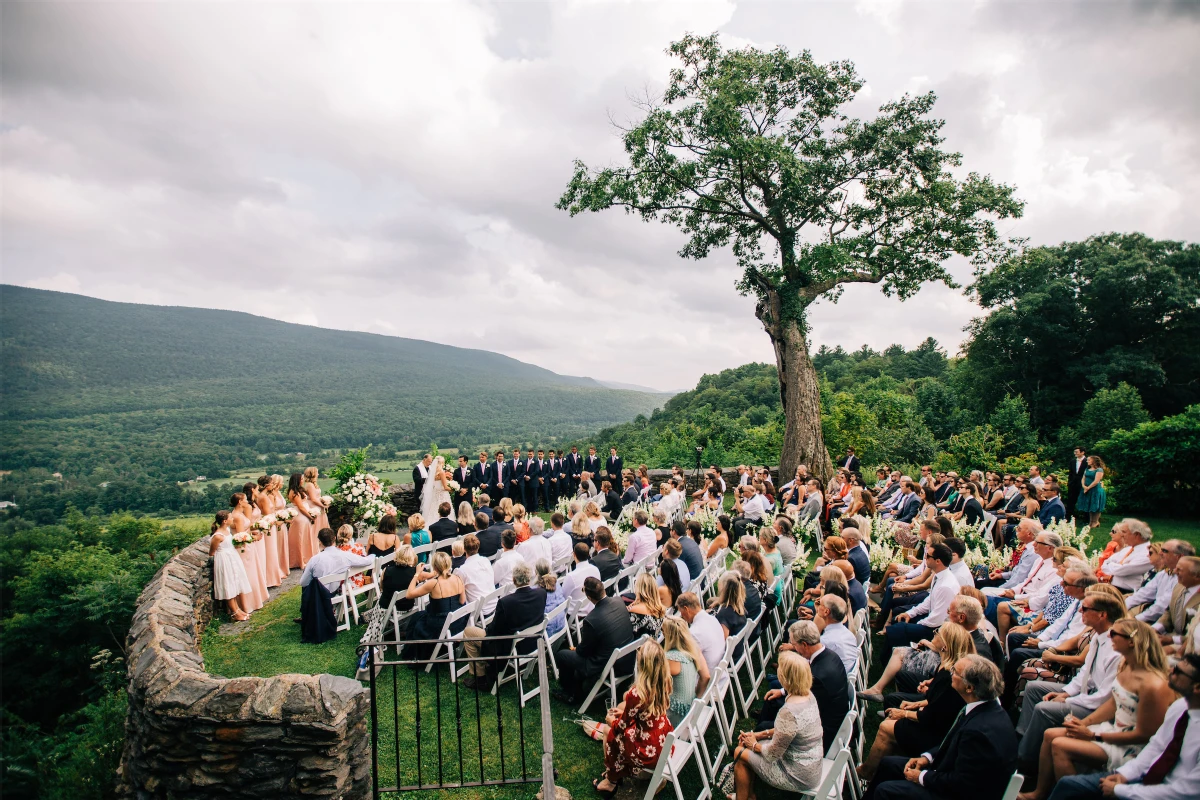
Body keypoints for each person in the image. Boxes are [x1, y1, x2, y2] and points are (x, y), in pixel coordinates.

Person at [1019, 619, 1174, 800]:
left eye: (1115, 634)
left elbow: (1144, 735)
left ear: (1132, 642)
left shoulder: (1153, 685)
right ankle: (1040, 792)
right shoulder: (1126, 666)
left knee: (1060, 745)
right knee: (1050, 734)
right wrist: (1083, 724)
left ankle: (1074, 793)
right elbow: (1113, 704)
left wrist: (1093, 735)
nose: (1109, 635)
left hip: (1130, 746)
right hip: (1113, 730)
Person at [864, 655, 1018, 800]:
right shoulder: (984, 708)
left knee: (885, 790)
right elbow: (951, 741)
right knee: (888, 764)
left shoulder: (978, 732)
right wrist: (927, 758)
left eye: (955, 672)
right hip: (950, 773)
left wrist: (920, 777)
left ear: (969, 687)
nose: (950, 673)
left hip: (961, 794)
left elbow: (961, 784)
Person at [1016, 592, 1126, 776]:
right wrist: (1066, 693)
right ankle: (1022, 737)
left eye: (1085, 608)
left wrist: (1069, 701)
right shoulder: (1098, 637)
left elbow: (1104, 697)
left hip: (1095, 706)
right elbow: (1086, 674)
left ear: (1102, 614)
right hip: (1084, 693)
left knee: (1044, 708)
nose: (1080, 610)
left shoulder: (1115, 649)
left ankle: (1024, 762)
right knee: (1034, 688)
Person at [858, 622, 974, 782]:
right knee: (893, 719)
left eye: (938, 633)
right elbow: (938, 703)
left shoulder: (949, 676)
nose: (934, 634)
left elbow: (934, 716)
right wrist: (917, 704)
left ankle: (866, 772)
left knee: (887, 726)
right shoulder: (946, 668)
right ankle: (886, 766)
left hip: (937, 736)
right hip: (936, 724)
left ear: (945, 646)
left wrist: (905, 713)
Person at [728, 652, 823, 798]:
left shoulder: (789, 711)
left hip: (797, 774)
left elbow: (773, 754)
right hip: (811, 764)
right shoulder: (808, 696)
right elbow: (787, 731)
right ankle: (749, 796)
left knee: (739, 752)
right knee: (745, 746)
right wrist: (758, 735)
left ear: (784, 678)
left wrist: (753, 744)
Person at [590, 639, 672, 798]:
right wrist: (623, 714)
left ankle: (611, 780)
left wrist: (611, 721)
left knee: (609, 731)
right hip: (661, 738)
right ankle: (614, 773)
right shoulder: (664, 681)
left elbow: (620, 728)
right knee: (618, 731)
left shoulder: (637, 694)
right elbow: (644, 715)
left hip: (646, 752)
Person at [461, 562, 548, 691]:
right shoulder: (541, 593)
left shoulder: (506, 602)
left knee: (469, 633)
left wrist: (485, 630)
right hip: (532, 642)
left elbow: (495, 631)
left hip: (508, 647)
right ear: (529, 578)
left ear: (514, 580)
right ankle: (487, 667)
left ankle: (480, 678)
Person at [554, 577, 636, 705]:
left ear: (589, 597)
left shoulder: (591, 620)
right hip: (628, 658)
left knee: (562, 655)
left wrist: (577, 649)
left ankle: (571, 693)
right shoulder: (619, 601)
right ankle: (578, 681)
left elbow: (583, 652)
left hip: (606, 664)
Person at [883, 543, 958, 661]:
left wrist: (915, 625)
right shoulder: (938, 576)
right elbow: (929, 601)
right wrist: (910, 613)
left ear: (938, 561)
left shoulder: (946, 586)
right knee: (899, 617)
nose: (925, 558)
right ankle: (890, 658)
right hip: (931, 620)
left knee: (899, 628)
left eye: (928, 556)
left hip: (937, 630)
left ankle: (892, 662)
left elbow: (937, 619)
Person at [403, 551, 466, 660]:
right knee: (420, 615)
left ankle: (416, 653)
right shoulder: (458, 578)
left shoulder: (434, 583)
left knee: (417, 619)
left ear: (435, 567)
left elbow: (409, 594)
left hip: (440, 626)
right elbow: (462, 601)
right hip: (458, 623)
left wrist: (417, 574)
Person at [209, 510, 253, 621]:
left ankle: (238, 610)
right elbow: (212, 552)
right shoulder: (218, 536)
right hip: (224, 561)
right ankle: (235, 613)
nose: (232, 519)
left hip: (232, 558)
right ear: (225, 521)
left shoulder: (227, 530)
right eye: (230, 518)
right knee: (228, 585)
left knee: (234, 584)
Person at [675, 592, 724, 673]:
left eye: (681, 612)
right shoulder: (713, 619)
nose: (682, 616)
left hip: (709, 675)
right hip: (719, 670)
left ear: (686, 609)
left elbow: (687, 664)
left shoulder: (694, 633)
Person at [1101, 520, 1154, 592]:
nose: (1122, 535)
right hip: (1112, 587)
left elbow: (1121, 570)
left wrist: (1112, 566)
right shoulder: (1129, 549)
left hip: (1127, 592)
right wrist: (1116, 566)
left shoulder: (1148, 553)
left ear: (1136, 535)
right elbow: (1105, 563)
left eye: (1124, 532)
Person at [816, 594, 858, 675]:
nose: (817, 605)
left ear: (826, 611)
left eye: (819, 604)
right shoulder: (848, 634)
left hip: (834, 680)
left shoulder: (825, 641)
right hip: (844, 674)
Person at [379, 544, 418, 619]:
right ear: (412, 558)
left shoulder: (386, 570)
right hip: (406, 607)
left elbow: (382, 587)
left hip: (386, 607)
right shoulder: (415, 572)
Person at [627, 572, 667, 638]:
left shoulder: (633, 610)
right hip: (654, 645)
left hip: (638, 647)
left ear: (639, 589)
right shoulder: (660, 608)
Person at [1076, 456, 1108, 530]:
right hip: (1087, 489)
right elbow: (1083, 478)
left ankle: (1095, 522)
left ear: (1094, 461)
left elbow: (1096, 481)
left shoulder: (1099, 470)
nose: (1087, 461)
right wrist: (1084, 486)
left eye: (1089, 460)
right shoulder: (1087, 469)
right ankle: (1091, 522)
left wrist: (1088, 488)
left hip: (1095, 490)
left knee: (1096, 506)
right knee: (1090, 505)